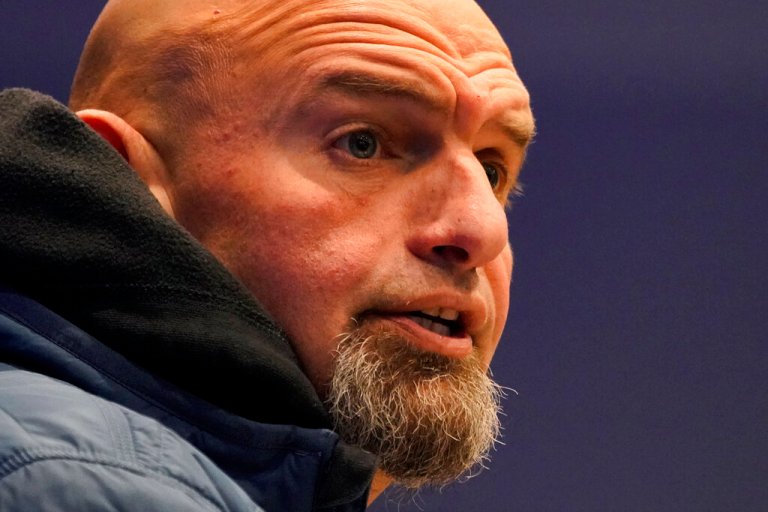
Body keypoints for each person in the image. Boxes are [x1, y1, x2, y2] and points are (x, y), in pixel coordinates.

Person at [0, 0, 535, 509]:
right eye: (363, 143)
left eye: (492, 172)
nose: (481, 229)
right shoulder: (75, 483)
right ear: (124, 181)